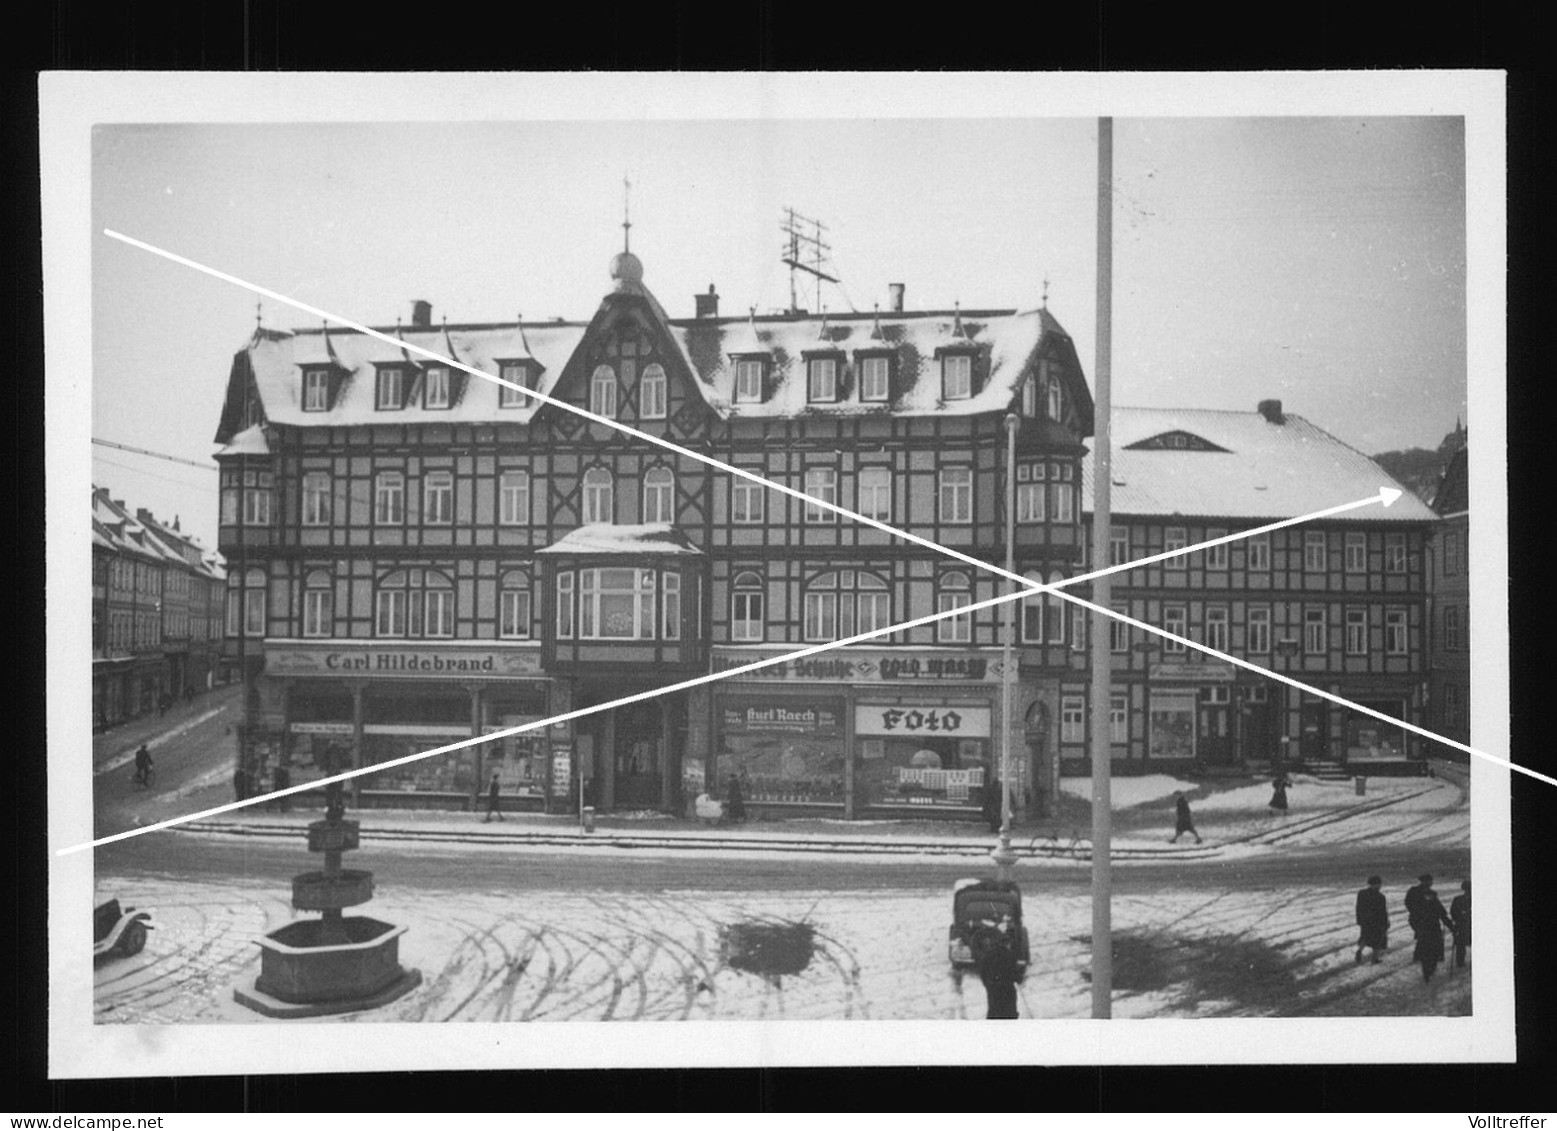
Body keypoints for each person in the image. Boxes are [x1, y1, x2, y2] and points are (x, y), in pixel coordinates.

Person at [1406, 873, 1453, 982]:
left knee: (1424, 946)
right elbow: (1441, 911)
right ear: (1427, 881)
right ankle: (1430, 969)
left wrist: (1415, 918)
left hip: (1420, 924)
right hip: (1431, 925)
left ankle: (1426, 970)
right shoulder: (1429, 894)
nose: (1431, 883)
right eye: (1430, 881)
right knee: (1433, 947)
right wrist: (1450, 925)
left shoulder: (1413, 891)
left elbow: (1408, 904)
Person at [972, 920, 1021, 1020]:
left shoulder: (988, 955)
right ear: (1008, 942)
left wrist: (989, 984)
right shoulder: (1010, 955)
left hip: (993, 991)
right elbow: (1016, 976)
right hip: (1008, 992)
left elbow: (983, 972)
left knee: (994, 1013)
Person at [1354, 875, 1389, 964]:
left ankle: (1359, 950)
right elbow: (1383, 911)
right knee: (1378, 941)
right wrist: (1385, 923)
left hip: (1365, 921)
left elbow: (1358, 907)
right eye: (1379, 884)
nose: (1380, 886)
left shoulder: (1362, 893)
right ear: (1376, 884)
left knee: (1365, 937)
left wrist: (1359, 920)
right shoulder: (1380, 896)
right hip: (1377, 922)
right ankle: (1374, 959)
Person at [1450, 880, 1472, 970]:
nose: (1468, 891)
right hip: (1463, 924)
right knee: (1461, 944)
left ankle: (1461, 962)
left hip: (1466, 924)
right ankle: (1460, 962)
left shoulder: (1458, 899)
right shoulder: (1458, 899)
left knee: (1461, 944)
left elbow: (1453, 912)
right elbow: (1453, 912)